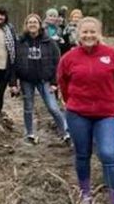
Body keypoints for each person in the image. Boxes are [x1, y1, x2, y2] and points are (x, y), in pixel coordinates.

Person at [58, 17, 114, 204]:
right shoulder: (69, 58)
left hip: (107, 114)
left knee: (108, 154)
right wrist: (71, 102)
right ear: (78, 34)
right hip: (78, 114)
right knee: (82, 154)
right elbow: (63, 82)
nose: (88, 36)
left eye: (93, 32)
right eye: (85, 32)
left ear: (99, 33)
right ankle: (85, 193)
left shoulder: (112, 55)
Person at [10, 14, 70, 144]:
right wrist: (13, 83)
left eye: (35, 22)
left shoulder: (49, 42)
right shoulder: (19, 42)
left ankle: (66, 132)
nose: (32, 24)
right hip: (26, 80)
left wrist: (55, 82)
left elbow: (57, 63)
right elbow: (13, 63)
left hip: (45, 80)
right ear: (26, 25)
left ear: (39, 25)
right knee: (28, 108)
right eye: (29, 22)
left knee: (53, 107)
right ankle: (30, 134)